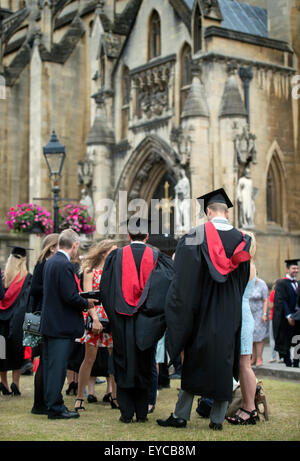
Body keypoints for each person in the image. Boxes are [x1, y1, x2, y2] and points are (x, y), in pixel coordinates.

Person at [157, 188, 251, 431]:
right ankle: (217, 419)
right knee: (224, 361)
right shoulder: (242, 240)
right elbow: (241, 280)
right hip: (229, 311)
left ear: (208, 211)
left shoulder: (194, 237)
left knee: (194, 363)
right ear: (226, 212)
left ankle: (180, 416)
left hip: (201, 313)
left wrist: (182, 313)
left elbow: (183, 283)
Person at [100, 217, 174, 423]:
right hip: (147, 322)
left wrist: (114, 317)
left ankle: (126, 413)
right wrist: (154, 316)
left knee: (123, 363)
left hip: (122, 321)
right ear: (147, 236)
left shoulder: (115, 256)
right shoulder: (159, 257)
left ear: (128, 235)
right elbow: (167, 290)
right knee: (145, 363)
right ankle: (142, 412)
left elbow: (106, 291)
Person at [40, 229, 96, 419]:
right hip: (60, 325)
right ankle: (55, 408)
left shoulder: (51, 262)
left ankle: (51, 403)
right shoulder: (63, 264)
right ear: (74, 245)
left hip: (51, 324)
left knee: (51, 366)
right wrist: (86, 303)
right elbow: (69, 296)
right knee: (57, 368)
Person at [74, 239, 118, 412]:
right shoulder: (89, 271)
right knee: (89, 358)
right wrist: (96, 319)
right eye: (112, 250)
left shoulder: (114, 271)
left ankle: (115, 396)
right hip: (95, 316)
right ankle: (79, 398)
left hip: (111, 317)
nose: (116, 254)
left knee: (114, 359)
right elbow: (87, 297)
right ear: (103, 252)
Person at [226, 231, 259, 425]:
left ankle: (250, 408)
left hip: (243, 316)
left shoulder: (248, 266)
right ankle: (248, 404)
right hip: (241, 314)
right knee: (241, 365)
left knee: (244, 365)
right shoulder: (248, 265)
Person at [29, 233, 59, 414]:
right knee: (42, 360)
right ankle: (38, 404)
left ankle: (44, 400)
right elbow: (34, 289)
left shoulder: (49, 263)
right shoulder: (42, 263)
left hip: (43, 315)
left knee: (46, 361)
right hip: (40, 316)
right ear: (52, 247)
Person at [0, 246, 32, 396]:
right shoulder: (26, 278)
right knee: (16, 352)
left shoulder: (3, 278)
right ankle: (15, 383)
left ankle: (4, 384)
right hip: (16, 321)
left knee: (1, 353)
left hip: (1, 322)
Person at [273, 259, 300, 368]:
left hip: (298, 318)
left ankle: (296, 362)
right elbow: (281, 301)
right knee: (286, 340)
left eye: (297, 268)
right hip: (285, 319)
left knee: (298, 339)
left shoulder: (298, 283)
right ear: (287, 269)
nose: (296, 270)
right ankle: (288, 362)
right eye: (293, 268)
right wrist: (289, 316)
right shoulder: (281, 283)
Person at [249, 276, 269, 367]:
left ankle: (259, 358)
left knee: (259, 336)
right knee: (251, 335)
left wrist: (264, 314)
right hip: (249, 313)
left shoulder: (262, 283)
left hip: (259, 313)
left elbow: (265, 300)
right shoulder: (247, 283)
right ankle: (253, 358)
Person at [268, 281, 278, 363]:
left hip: (273, 317)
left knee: (272, 338)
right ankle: (282, 357)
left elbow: (270, 305)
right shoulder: (277, 293)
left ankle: (273, 356)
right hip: (279, 317)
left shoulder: (273, 293)